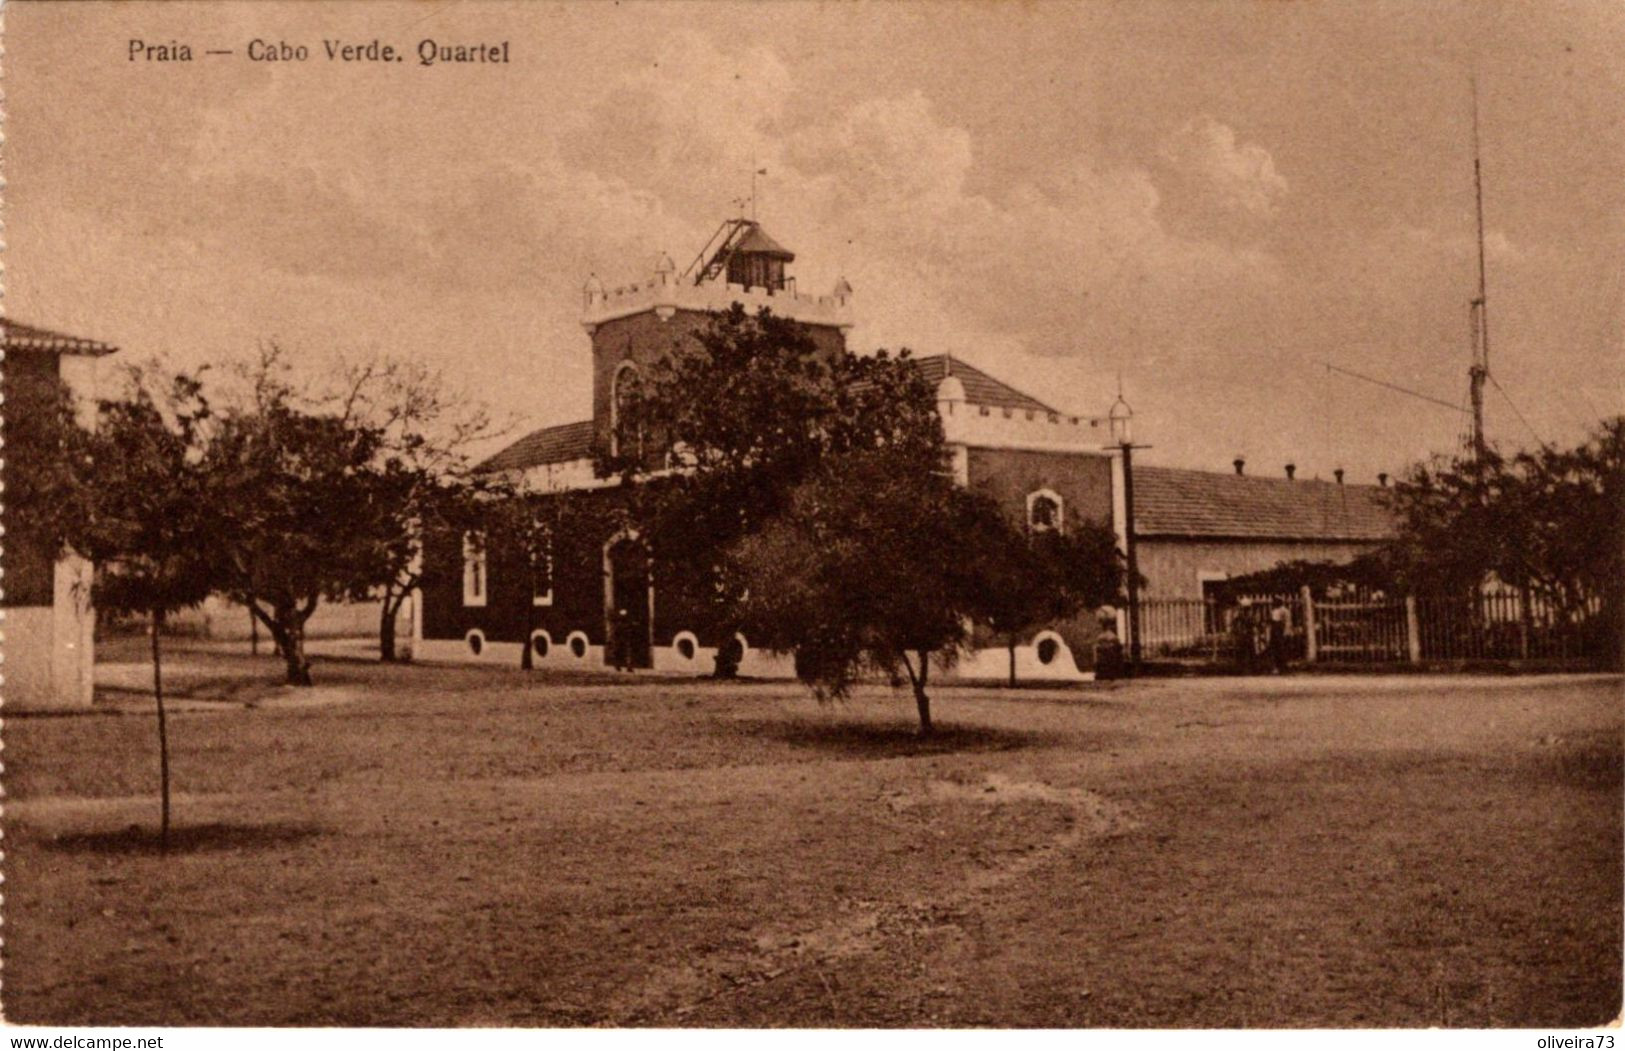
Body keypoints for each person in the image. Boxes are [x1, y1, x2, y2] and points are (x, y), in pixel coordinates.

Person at [1268, 597, 1291, 673]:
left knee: (1282, 649)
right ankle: (1276, 667)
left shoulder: (1285, 611)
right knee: (1275, 649)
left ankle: (1283, 667)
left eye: (1276, 602)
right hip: (1275, 631)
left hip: (1281, 631)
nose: (1274, 604)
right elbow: (1272, 622)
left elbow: (1287, 623)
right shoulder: (1274, 611)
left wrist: (1286, 632)